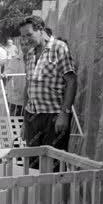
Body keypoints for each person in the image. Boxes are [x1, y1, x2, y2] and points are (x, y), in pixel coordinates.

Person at [18, 16, 77, 161]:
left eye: (29, 35)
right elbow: (28, 87)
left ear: (41, 30)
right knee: (32, 165)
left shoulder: (59, 48)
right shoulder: (30, 54)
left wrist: (64, 114)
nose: (26, 40)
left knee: (53, 167)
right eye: (23, 36)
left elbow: (72, 81)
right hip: (32, 117)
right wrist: (25, 122)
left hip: (53, 117)